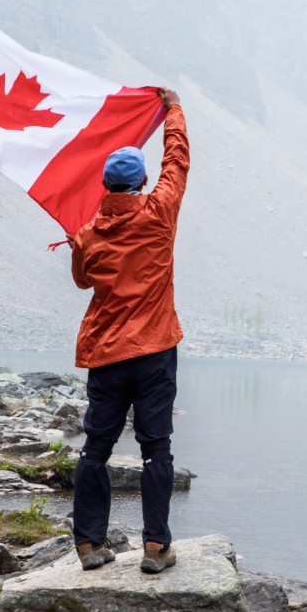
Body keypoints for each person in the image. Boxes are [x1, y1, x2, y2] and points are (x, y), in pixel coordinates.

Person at [66, 87, 188, 574]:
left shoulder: (87, 234)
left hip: (106, 352)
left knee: (96, 448)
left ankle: (89, 546)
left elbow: (81, 280)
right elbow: (176, 162)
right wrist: (173, 110)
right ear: (140, 182)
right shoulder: (158, 213)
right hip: (155, 349)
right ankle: (156, 549)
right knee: (156, 449)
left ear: (105, 186)